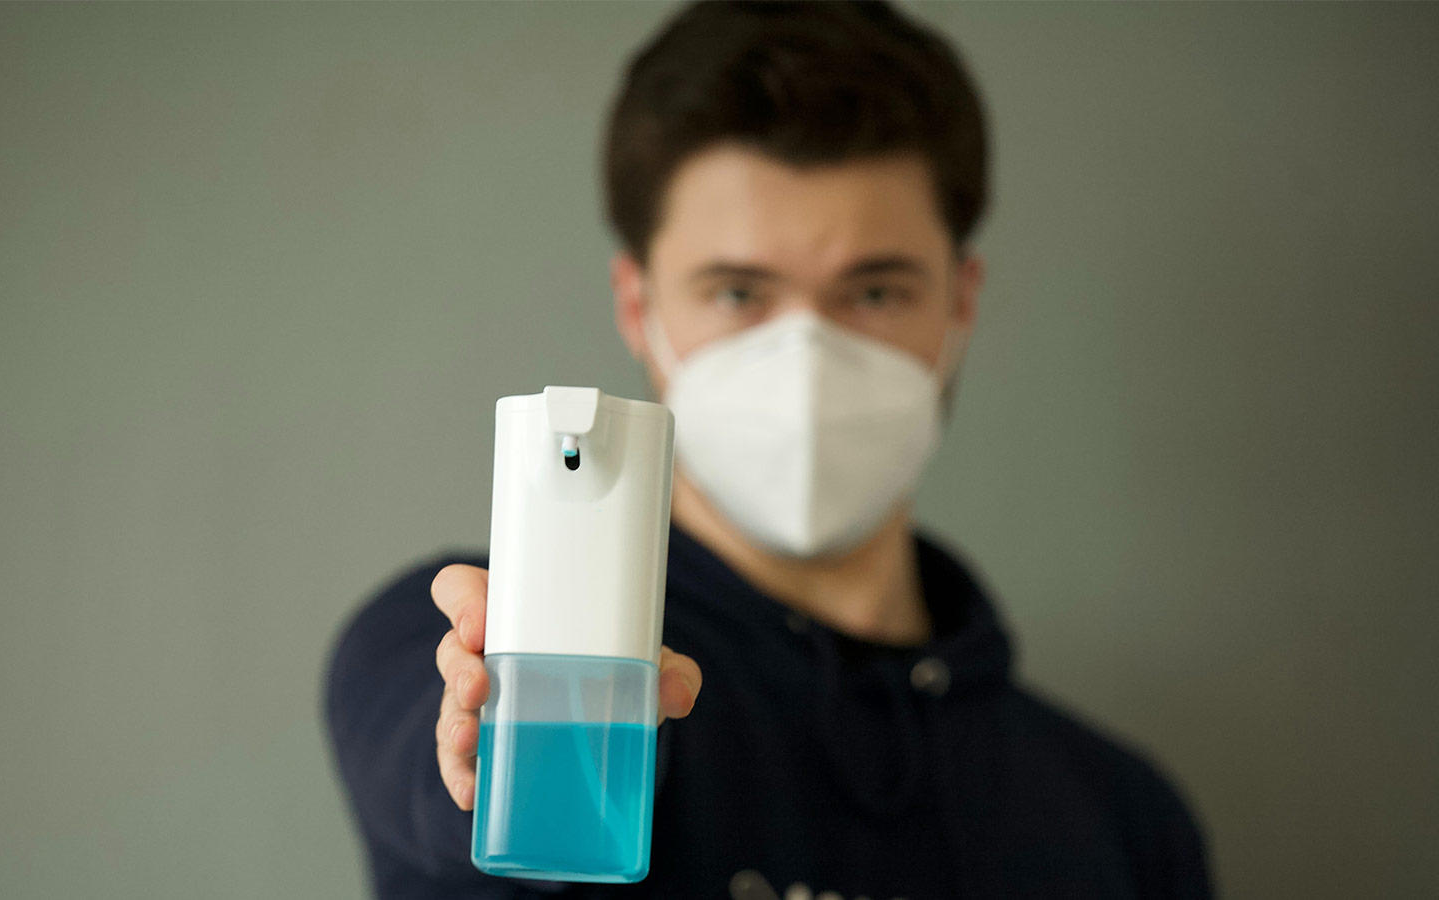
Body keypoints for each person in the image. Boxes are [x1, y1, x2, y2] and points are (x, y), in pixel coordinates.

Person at [325, 2, 1213, 897]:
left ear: (960, 302)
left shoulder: (1121, 817)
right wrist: (505, 749)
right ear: (639, 308)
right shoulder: (445, 638)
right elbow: (438, 785)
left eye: (873, 291)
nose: (807, 362)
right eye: (740, 292)